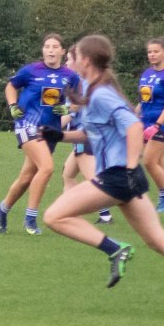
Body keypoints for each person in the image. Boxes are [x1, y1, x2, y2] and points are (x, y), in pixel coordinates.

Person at [40, 34, 164, 318]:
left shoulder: (101, 94)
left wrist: (128, 167)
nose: (69, 61)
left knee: (54, 216)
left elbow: (134, 127)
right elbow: (95, 132)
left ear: (86, 61)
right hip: (126, 178)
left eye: (73, 57)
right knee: (157, 240)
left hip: (118, 176)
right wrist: (61, 136)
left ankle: (115, 249)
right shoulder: (92, 88)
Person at [0, 33, 80, 235]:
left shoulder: (70, 76)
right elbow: (11, 86)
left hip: (50, 130)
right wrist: (12, 105)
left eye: (55, 47)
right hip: (27, 124)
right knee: (47, 167)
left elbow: (81, 100)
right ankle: (30, 219)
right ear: (43, 50)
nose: (50, 50)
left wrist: (69, 109)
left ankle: (3, 209)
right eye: (47, 46)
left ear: (62, 51)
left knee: (27, 177)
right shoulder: (31, 70)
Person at [61, 45, 113, 225]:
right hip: (85, 135)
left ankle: (106, 214)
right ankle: (71, 212)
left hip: (85, 136)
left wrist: (52, 128)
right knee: (68, 174)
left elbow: (75, 109)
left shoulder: (82, 83)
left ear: (78, 61)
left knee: (93, 179)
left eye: (68, 59)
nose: (66, 63)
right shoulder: (80, 81)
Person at [136, 38, 164, 212]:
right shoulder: (147, 73)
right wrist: (133, 116)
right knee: (157, 162)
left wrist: (157, 125)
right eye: (149, 52)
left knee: (149, 161)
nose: (152, 55)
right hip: (145, 123)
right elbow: (143, 100)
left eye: (156, 51)